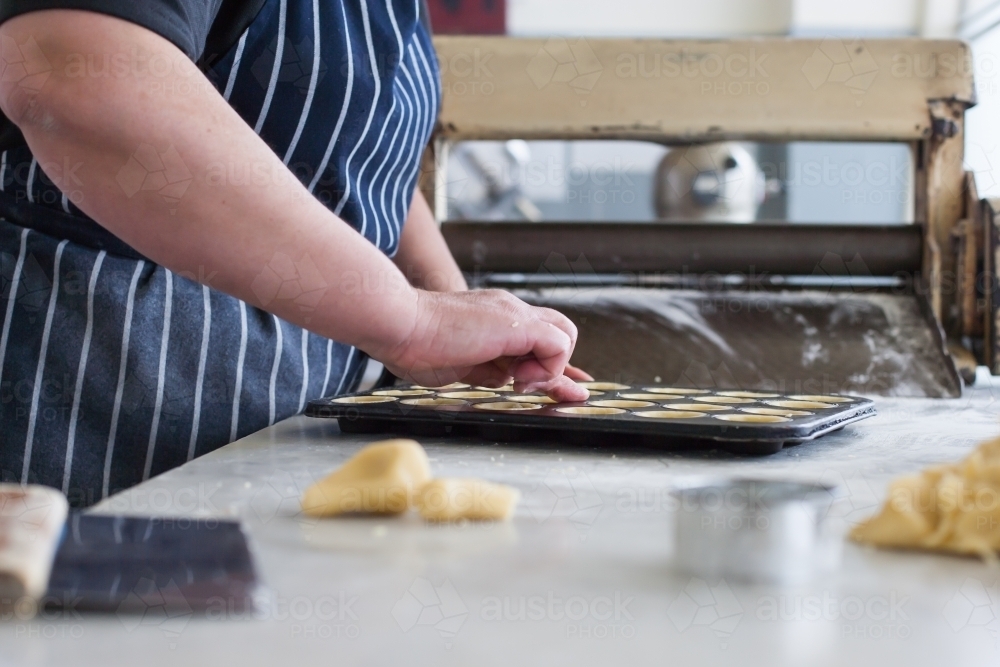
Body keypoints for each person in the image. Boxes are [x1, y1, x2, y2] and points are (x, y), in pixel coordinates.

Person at [0, 0, 590, 507]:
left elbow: (351, 159)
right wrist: (410, 321)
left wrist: (447, 307)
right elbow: (78, 77)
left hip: (274, 425)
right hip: (87, 388)